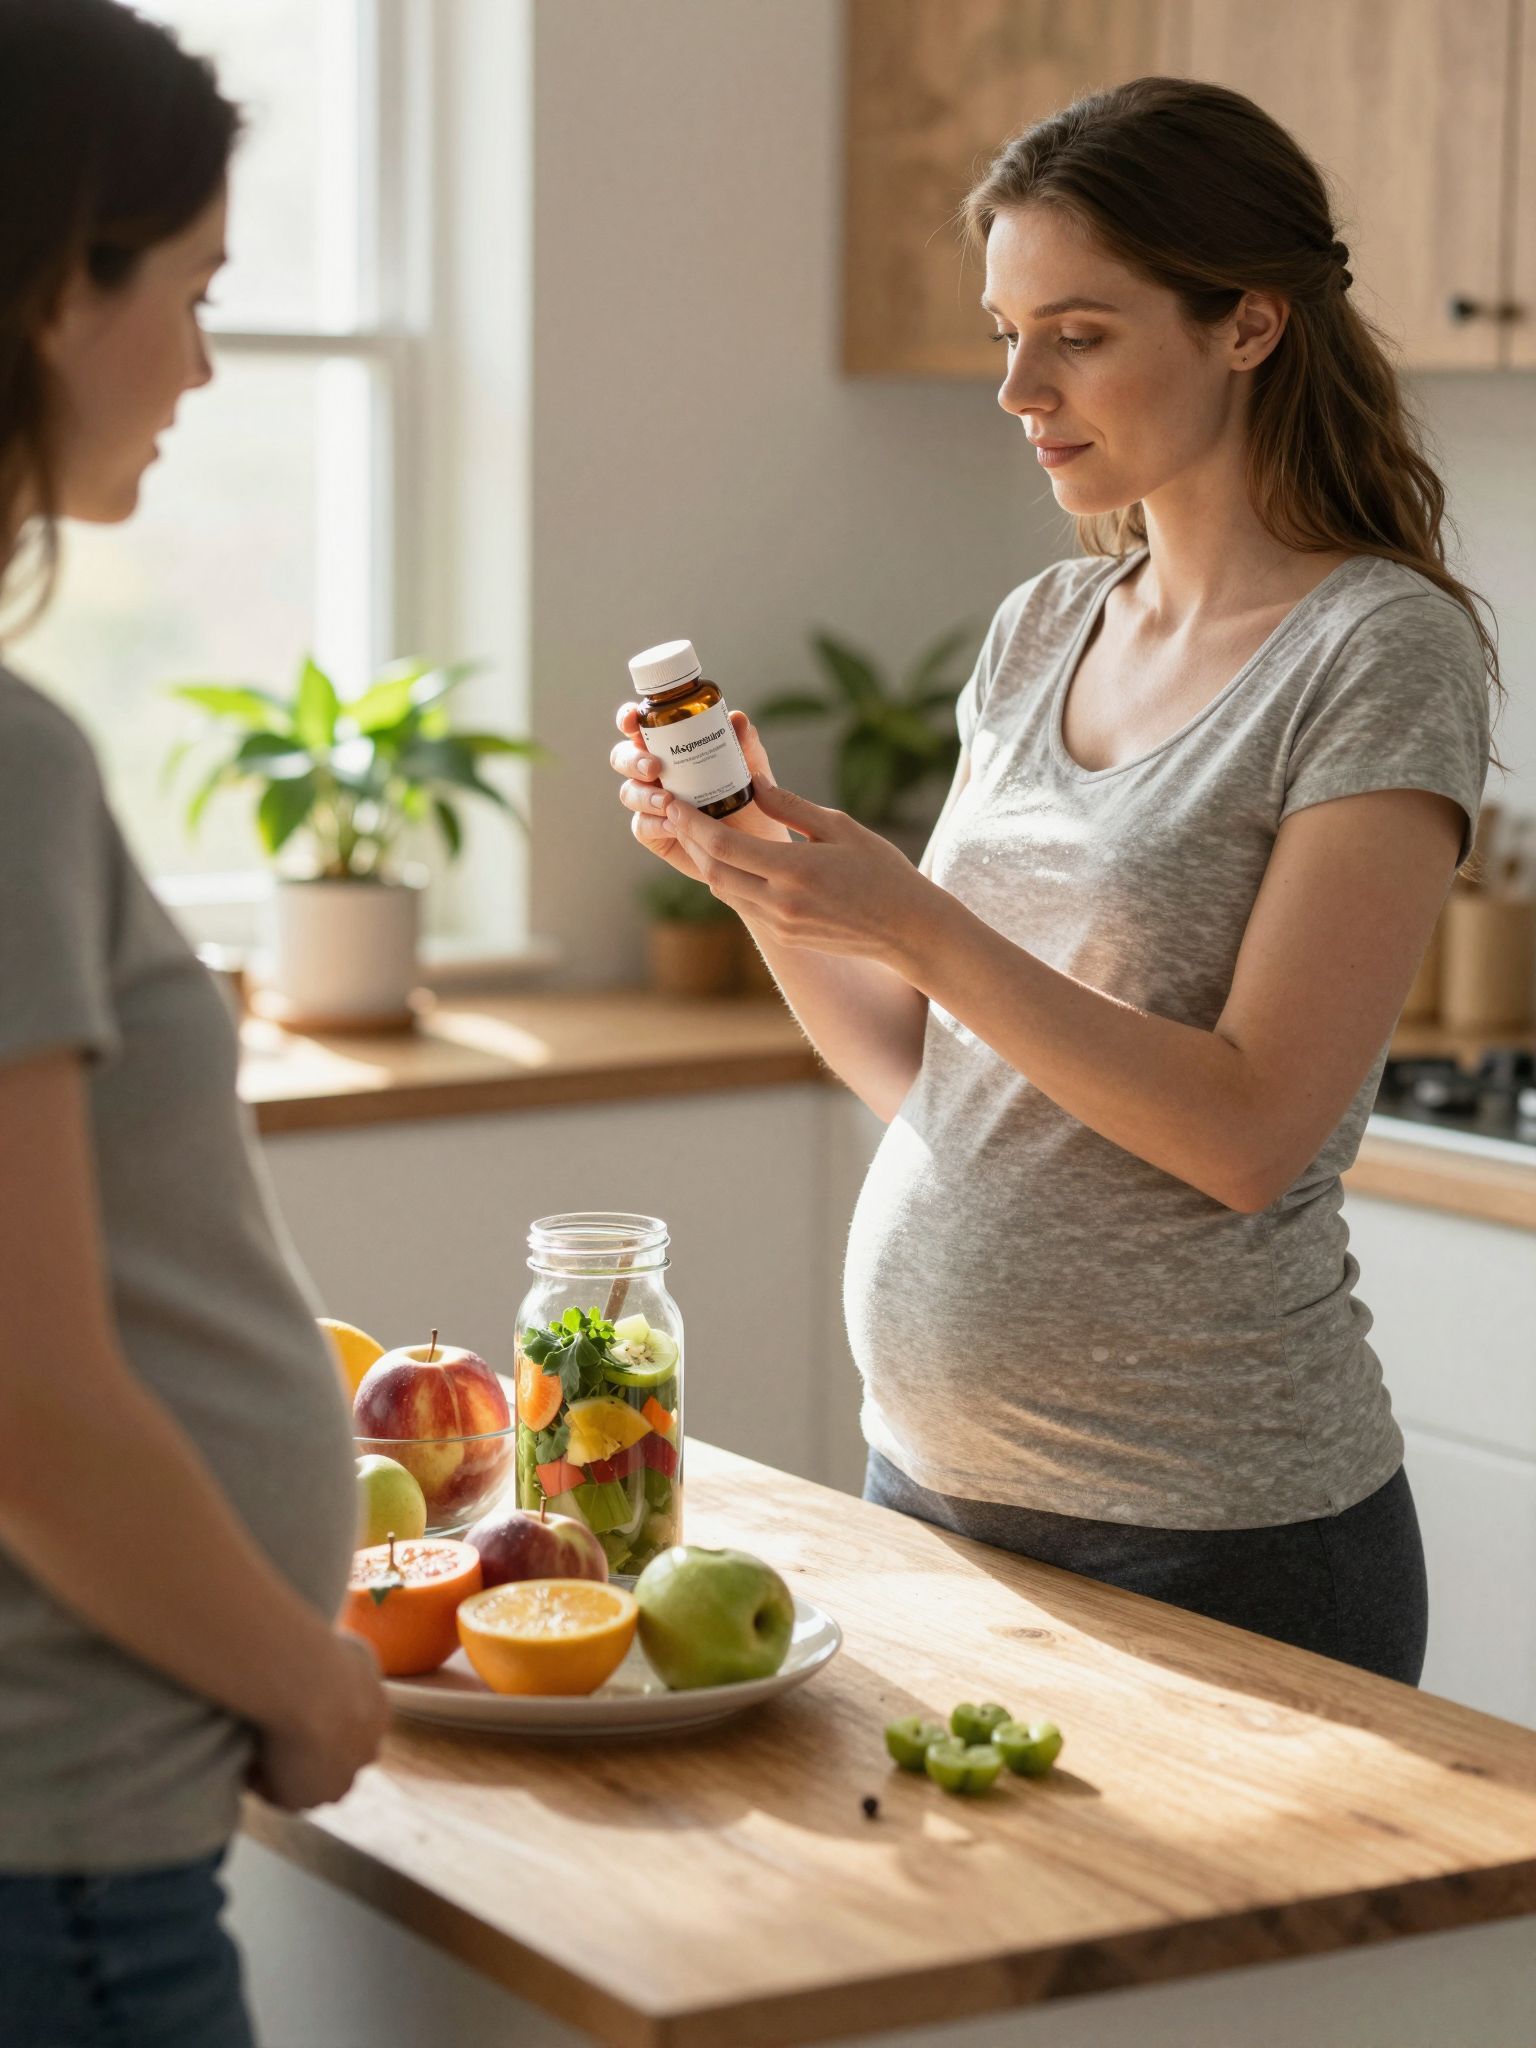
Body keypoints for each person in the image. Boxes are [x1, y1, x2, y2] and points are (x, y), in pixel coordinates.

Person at [613, 77, 1497, 1687]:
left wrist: (915, 920)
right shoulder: (1043, 630)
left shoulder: (1379, 651)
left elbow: (1246, 1132)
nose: (1019, 384)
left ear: (1247, 324)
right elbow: (933, 1079)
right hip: (935, 1496)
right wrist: (767, 884)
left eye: (1077, 331)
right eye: (1007, 328)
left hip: (1220, 1535)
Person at [0, 4, 387, 2042]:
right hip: (56, 1854)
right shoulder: (5, 762)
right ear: (66, 283)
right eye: (199, 289)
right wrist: (292, 1664)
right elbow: (26, 1404)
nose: (210, 362)